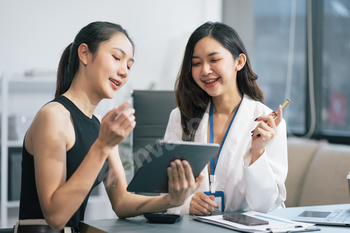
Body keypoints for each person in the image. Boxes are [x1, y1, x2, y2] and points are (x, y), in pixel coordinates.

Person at [18, 21, 203, 232]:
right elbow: (56, 217)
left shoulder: (101, 126)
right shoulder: (53, 117)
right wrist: (102, 145)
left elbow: (121, 201)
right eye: (116, 58)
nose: (124, 71)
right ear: (85, 54)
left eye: (129, 65)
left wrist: (172, 200)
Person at [164, 21, 287, 215]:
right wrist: (186, 204)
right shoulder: (180, 117)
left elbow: (266, 207)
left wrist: (257, 152)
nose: (205, 70)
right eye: (196, 63)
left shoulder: (267, 123)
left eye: (214, 60)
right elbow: (165, 190)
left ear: (239, 62)